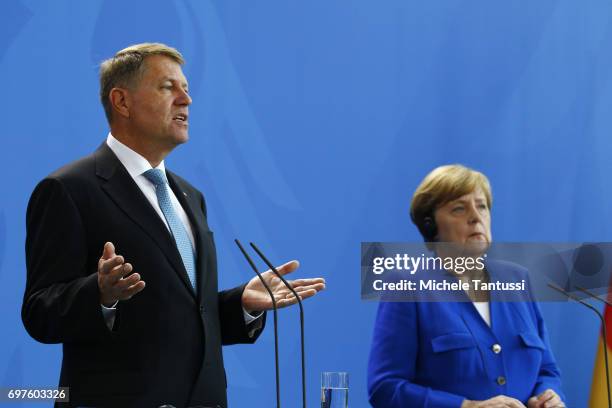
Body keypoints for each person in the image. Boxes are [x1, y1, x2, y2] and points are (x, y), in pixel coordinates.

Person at [22, 43, 325, 408]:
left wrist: (238, 305)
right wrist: (99, 294)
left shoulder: (189, 196)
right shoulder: (69, 189)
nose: (187, 99)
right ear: (122, 102)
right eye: (168, 87)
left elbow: (181, 314)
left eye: (186, 87)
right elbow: (40, 312)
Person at [367, 164, 564, 408]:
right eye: (459, 208)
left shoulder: (517, 280)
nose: (476, 216)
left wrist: (547, 396)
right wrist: (466, 406)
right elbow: (385, 388)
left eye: (482, 206)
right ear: (431, 226)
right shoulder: (408, 286)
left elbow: (546, 370)